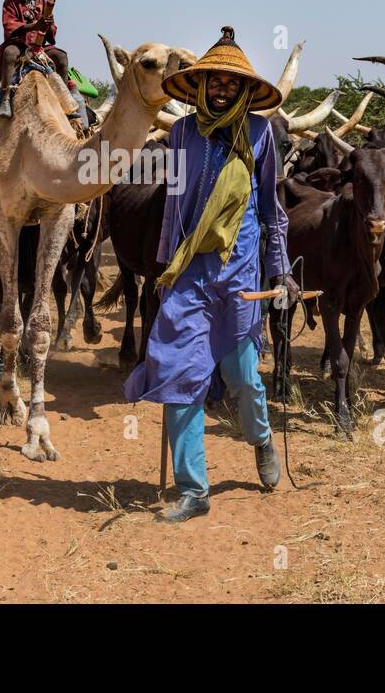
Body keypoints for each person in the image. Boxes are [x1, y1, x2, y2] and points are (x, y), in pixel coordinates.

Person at [123, 26, 300, 523]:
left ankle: (261, 439)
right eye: (214, 81)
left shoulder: (262, 135)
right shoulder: (179, 135)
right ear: (200, 86)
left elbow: (272, 212)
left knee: (242, 377)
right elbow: (172, 209)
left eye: (231, 83)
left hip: (241, 274)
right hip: (190, 275)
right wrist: (165, 269)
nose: (221, 88)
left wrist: (280, 270)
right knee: (181, 376)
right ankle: (193, 489)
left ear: (245, 90)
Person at [0, 0, 73, 119]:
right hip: (18, 45)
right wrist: (35, 25)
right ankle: (6, 98)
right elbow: (10, 28)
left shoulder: (44, 5)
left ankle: (64, 100)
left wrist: (48, 24)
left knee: (61, 57)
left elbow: (51, 36)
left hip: (39, 49)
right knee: (9, 54)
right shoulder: (11, 2)